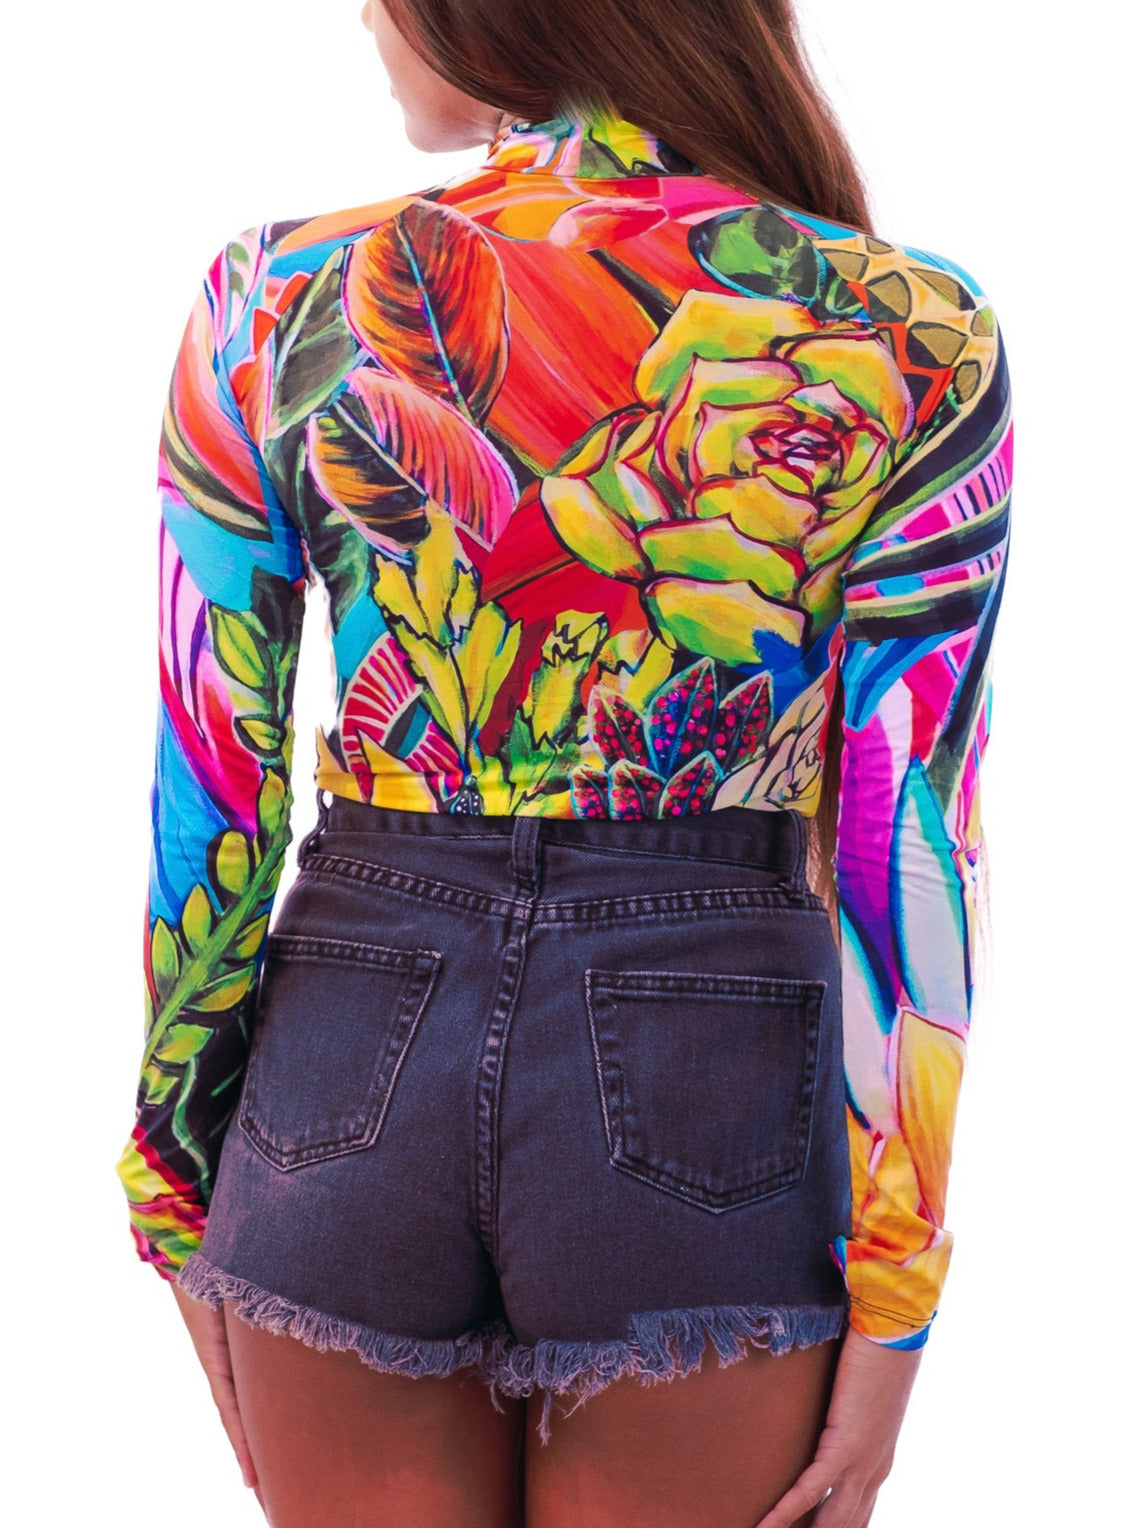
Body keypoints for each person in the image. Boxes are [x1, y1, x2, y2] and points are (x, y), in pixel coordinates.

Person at [114, 0, 1013, 1523]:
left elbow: (212, 782)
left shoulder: (272, 294)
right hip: (714, 1050)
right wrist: (900, 1273)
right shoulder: (907, 326)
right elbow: (909, 832)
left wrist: (172, 1179)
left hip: (347, 1039)